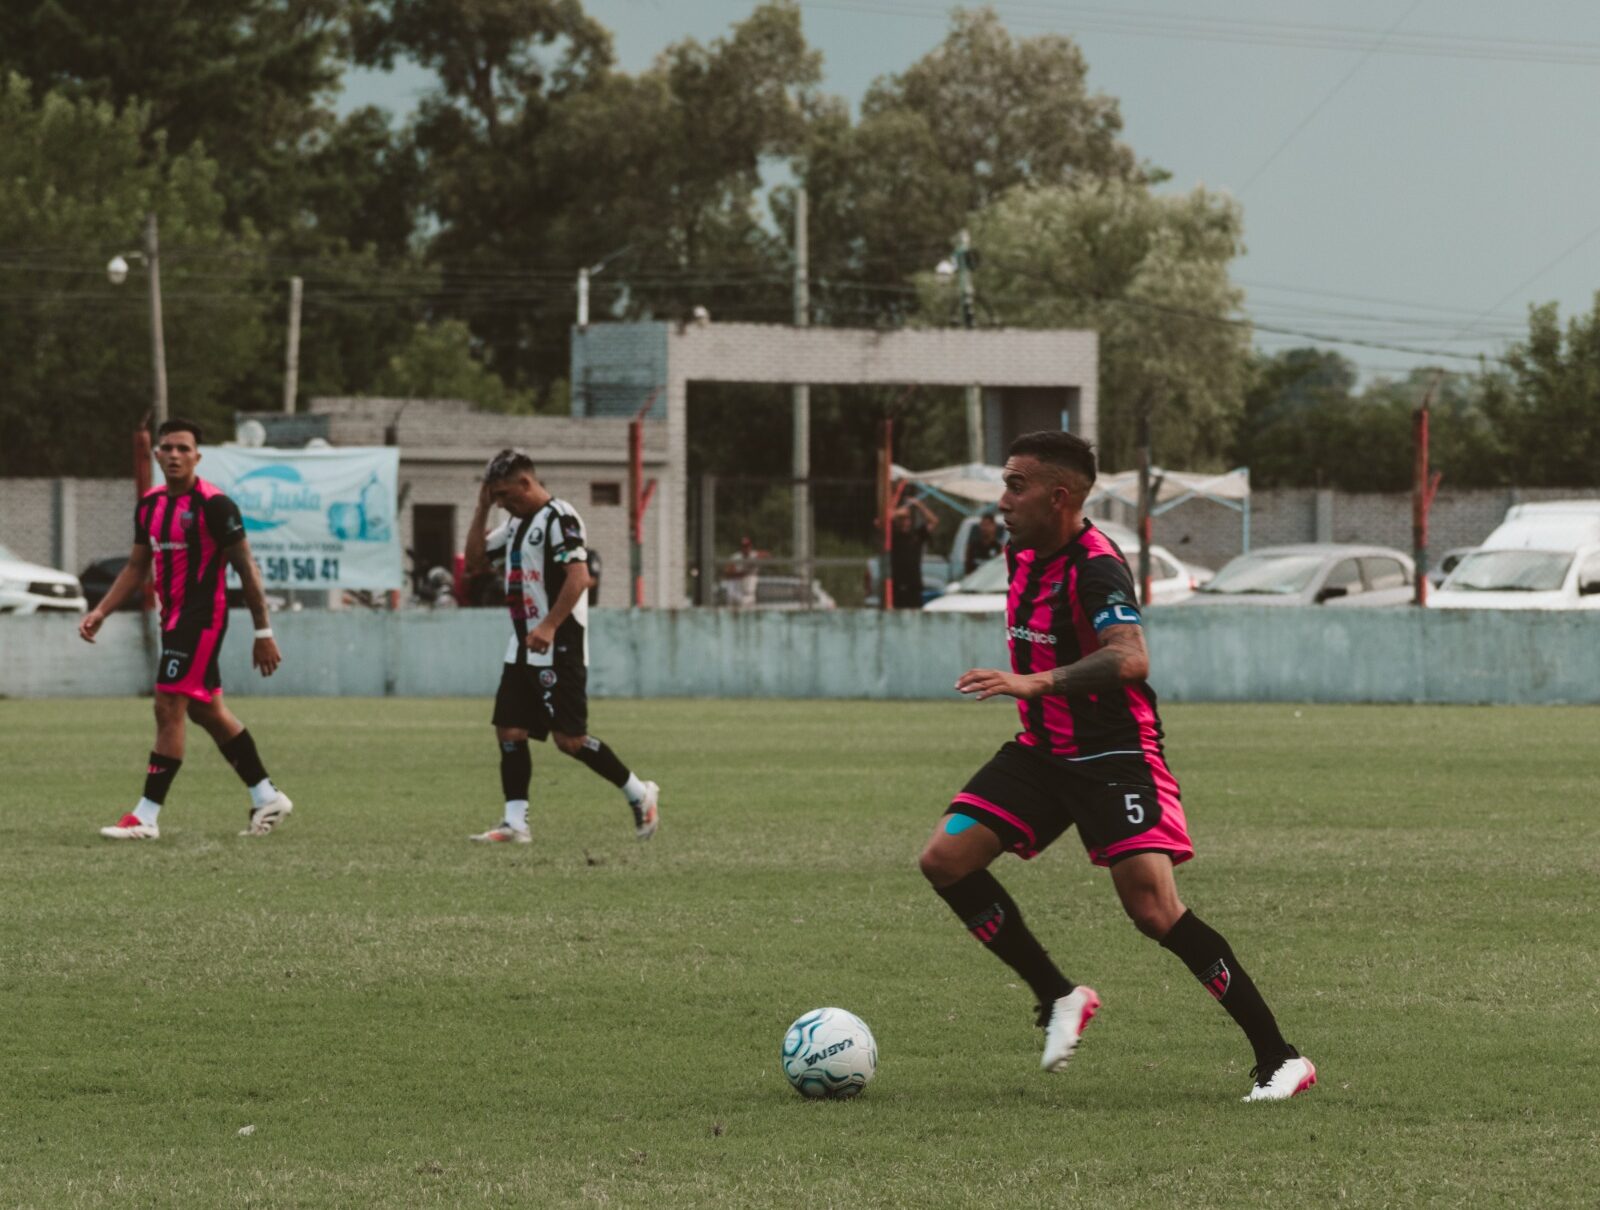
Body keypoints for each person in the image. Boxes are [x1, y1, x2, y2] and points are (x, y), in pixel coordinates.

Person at [920, 430, 1314, 1103]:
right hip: (1043, 750)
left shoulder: (1096, 565)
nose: (1003, 499)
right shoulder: (1021, 550)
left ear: (1059, 496)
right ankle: (1059, 995)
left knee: (1155, 911)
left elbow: (1130, 657)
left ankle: (1280, 1059)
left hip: (1114, 754)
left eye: (1017, 485)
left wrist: (1035, 682)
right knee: (945, 861)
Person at [78, 419, 293, 840]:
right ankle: (266, 795)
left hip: (202, 621)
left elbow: (246, 568)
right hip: (172, 621)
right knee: (205, 709)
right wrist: (101, 611)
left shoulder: (216, 506)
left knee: (167, 706)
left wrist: (263, 632)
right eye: (167, 448)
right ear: (156, 455)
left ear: (197, 456)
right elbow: (137, 566)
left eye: (183, 448)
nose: (174, 455)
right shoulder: (150, 506)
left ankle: (146, 816)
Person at [464, 449, 660, 844]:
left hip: (560, 645)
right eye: (496, 497)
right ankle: (515, 823)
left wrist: (549, 626)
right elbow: (474, 562)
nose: (503, 502)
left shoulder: (560, 518)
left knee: (569, 740)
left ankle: (640, 793)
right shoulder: (516, 523)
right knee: (509, 730)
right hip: (522, 647)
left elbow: (579, 577)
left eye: (505, 494)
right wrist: (482, 508)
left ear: (526, 482)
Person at [889, 497, 938, 609]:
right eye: (901, 519)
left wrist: (919, 505)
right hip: (898, 586)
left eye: (907, 519)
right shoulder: (893, 536)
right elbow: (880, 522)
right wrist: (898, 512)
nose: (904, 523)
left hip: (914, 585)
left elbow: (933, 521)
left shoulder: (917, 535)